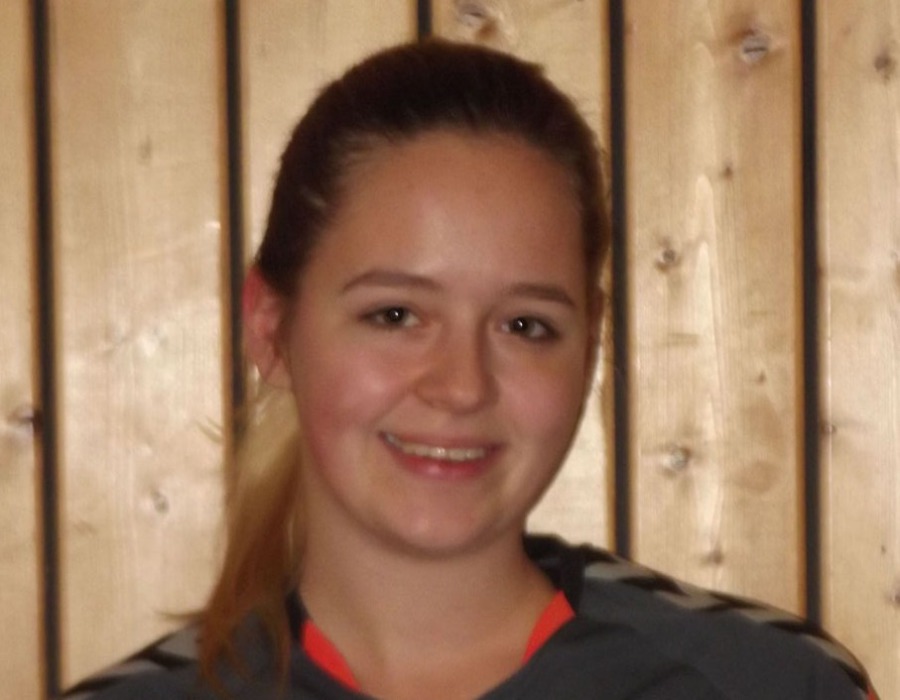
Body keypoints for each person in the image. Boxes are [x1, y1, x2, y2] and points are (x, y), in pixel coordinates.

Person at [67, 40, 876, 700]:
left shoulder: (773, 686)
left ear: (589, 344)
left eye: (525, 326)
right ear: (271, 330)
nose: (461, 386)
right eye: (395, 315)